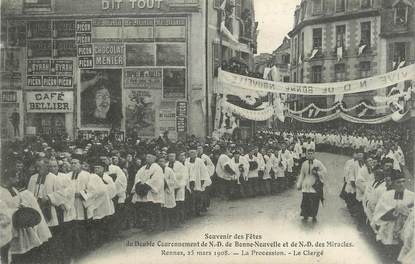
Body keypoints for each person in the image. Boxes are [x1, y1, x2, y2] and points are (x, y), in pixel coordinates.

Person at [373, 170, 414, 260]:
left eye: (403, 181)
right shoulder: (386, 196)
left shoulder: (412, 196)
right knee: (390, 256)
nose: (402, 184)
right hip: (389, 231)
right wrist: (395, 212)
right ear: (393, 183)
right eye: (398, 182)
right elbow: (379, 214)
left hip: (404, 232)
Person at [132, 152, 165, 232]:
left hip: (151, 192)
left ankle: (157, 226)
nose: (147, 158)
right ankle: (147, 225)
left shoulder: (157, 168)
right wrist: (139, 184)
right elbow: (137, 176)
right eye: (147, 157)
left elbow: (156, 179)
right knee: (146, 209)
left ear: (154, 158)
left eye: (149, 157)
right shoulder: (142, 168)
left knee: (154, 209)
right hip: (143, 190)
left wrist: (147, 185)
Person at [296, 149, 327, 222]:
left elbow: (324, 171)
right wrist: (299, 184)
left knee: (314, 201)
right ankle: (305, 215)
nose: (310, 155)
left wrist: (317, 173)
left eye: (311, 154)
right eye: (308, 154)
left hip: (314, 185)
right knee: (305, 200)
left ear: (314, 154)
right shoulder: (304, 163)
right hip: (306, 185)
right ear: (306, 155)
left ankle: (314, 215)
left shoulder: (318, 163)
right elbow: (302, 175)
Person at [185, 149, 211, 217]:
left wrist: (202, 181)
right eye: (190, 152)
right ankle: (191, 211)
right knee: (191, 196)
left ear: (196, 153)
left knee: (198, 196)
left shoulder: (200, 161)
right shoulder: (186, 161)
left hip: (198, 180)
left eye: (193, 152)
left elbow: (203, 171)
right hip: (189, 181)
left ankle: (198, 211)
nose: (192, 154)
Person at [167, 150, 188, 226]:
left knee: (179, 205)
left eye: (172, 156)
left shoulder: (179, 165)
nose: (171, 158)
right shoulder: (166, 165)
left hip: (179, 186)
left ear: (175, 157)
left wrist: (173, 175)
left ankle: (180, 220)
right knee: (171, 205)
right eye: (170, 156)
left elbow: (181, 176)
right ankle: (172, 221)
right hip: (170, 188)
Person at [158, 156, 177, 229]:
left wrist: (166, 182)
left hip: (168, 191)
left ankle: (172, 223)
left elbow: (173, 180)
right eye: (159, 161)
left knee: (169, 208)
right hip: (160, 192)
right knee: (162, 209)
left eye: (162, 161)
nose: (161, 163)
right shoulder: (156, 171)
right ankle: (163, 224)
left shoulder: (169, 170)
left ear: (165, 162)